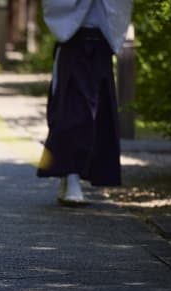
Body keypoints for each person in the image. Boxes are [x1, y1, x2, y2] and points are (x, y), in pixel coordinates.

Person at [37, 0, 133, 205]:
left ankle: (75, 177)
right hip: (73, 42)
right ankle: (71, 177)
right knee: (73, 112)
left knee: (99, 114)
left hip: (101, 42)